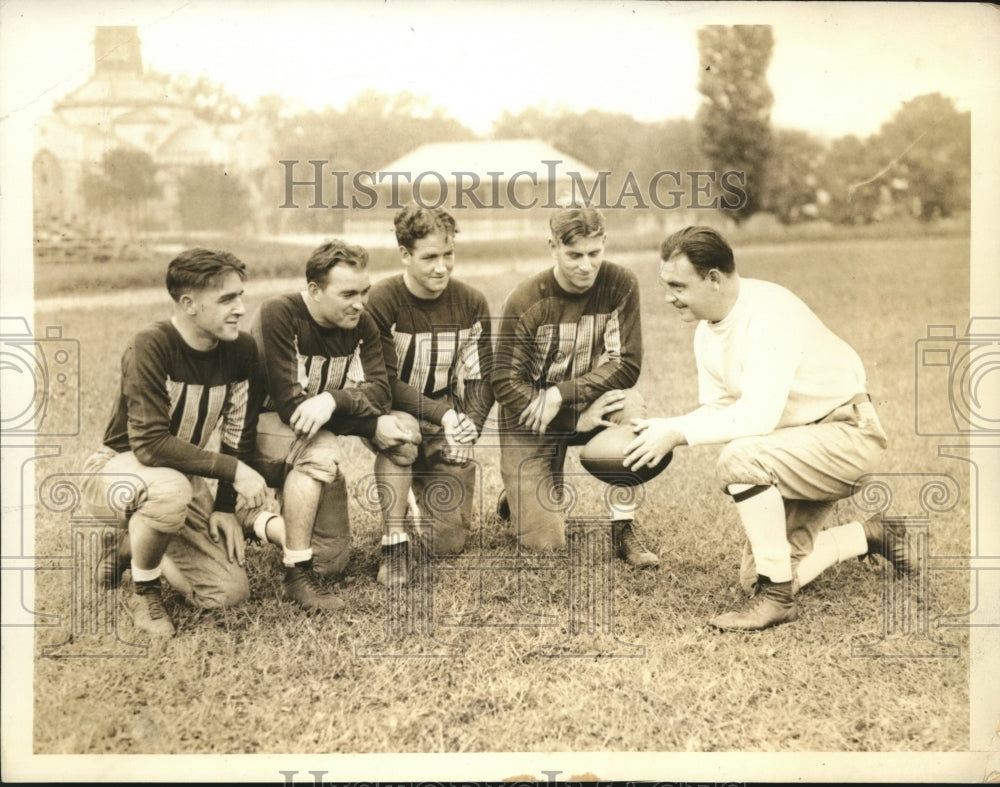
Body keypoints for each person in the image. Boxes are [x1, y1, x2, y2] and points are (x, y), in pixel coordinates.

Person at [624, 225, 911, 631]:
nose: (668, 296)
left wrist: (676, 433)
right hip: (798, 442)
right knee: (755, 576)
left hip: (848, 437)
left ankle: (778, 601)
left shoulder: (769, 312)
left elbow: (756, 420)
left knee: (741, 457)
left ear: (713, 278)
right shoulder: (708, 328)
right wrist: (668, 425)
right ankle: (874, 534)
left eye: (677, 285)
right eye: (665, 284)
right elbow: (720, 408)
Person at [82, 248, 271, 638]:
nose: (239, 308)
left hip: (185, 479)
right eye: (226, 299)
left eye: (240, 296)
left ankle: (132, 545)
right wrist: (234, 471)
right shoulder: (150, 345)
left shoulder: (241, 349)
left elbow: (238, 431)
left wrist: (222, 506)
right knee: (169, 488)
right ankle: (144, 591)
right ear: (188, 304)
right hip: (119, 469)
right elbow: (150, 444)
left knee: (227, 594)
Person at [249, 240, 418, 608]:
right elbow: (290, 407)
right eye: (348, 294)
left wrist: (332, 400)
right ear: (314, 291)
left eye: (364, 292)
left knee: (331, 559)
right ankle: (296, 573)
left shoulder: (363, 322)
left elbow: (380, 395)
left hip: (318, 427)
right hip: (264, 433)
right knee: (322, 447)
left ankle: (256, 523)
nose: (360, 303)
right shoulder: (278, 314)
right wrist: (370, 426)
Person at [492, 205, 658, 566]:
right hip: (530, 418)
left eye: (594, 253)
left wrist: (563, 395)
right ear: (552, 246)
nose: (586, 265)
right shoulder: (525, 298)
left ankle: (624, 527)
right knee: (546, 545)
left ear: (604, 243)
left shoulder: (620, 283)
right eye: (574, 255)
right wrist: (568, 421)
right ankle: (516, 495)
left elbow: (626, 363)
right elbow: (504, 383)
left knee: (629, 406)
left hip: (582, 401)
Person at [365, 204, 494, 584]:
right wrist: (446, 416)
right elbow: (384, 381)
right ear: (405, 254)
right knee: (403, 438)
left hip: (445, 414)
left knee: (447, 544)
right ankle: (395, 541)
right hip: (394, 410)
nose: (442, 267)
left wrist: (470, 423)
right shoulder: (383, 299)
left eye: (448, 254)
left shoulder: (471, 301)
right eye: (430, 257)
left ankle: (422, 478)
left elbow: (480, 378)